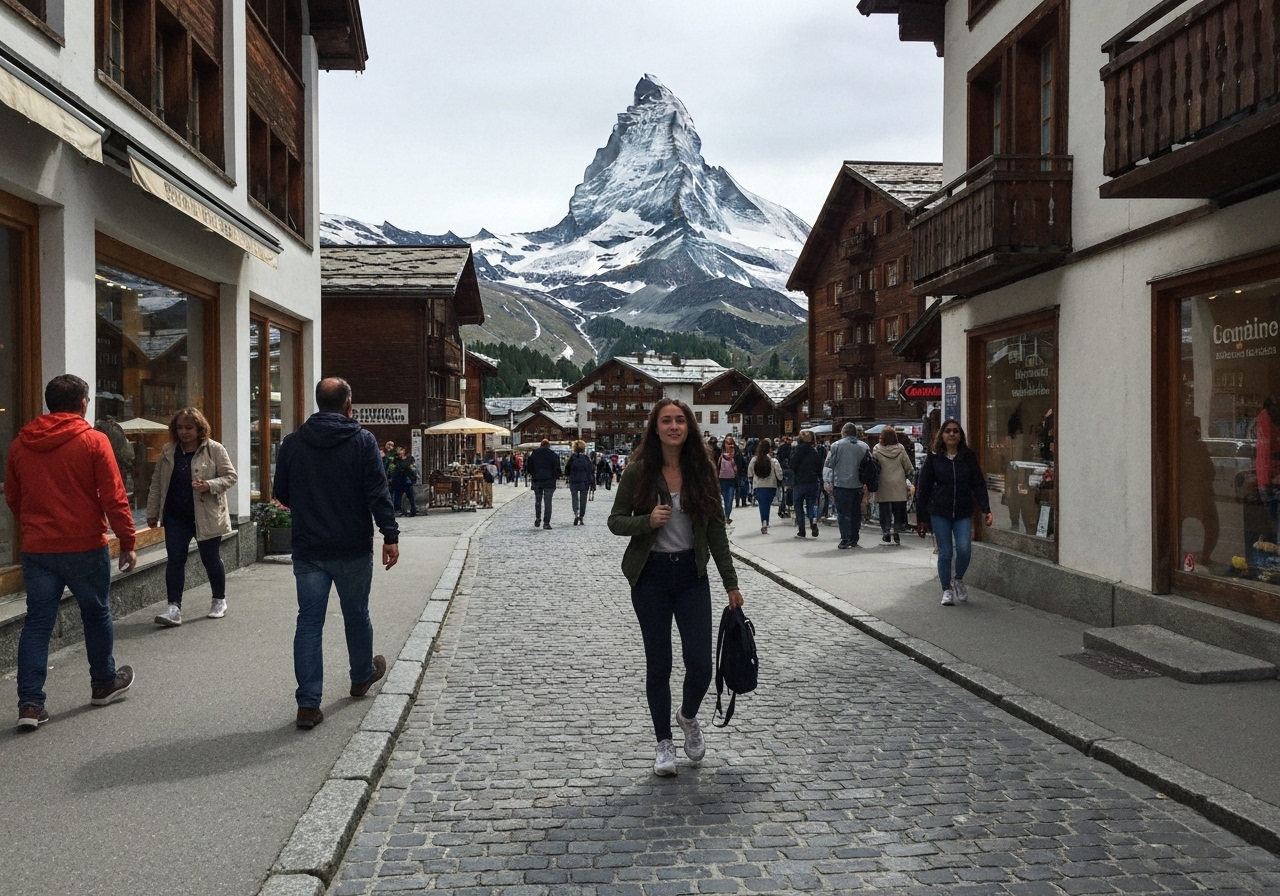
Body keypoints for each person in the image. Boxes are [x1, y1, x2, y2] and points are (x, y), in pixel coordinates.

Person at [607, 398, 744, 776]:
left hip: (690, 576)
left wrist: (730, 583)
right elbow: (615, 521)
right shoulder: (638, 472)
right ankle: (663, 743)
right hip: (649, 577)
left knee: (700, 663)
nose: (673, 426)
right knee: (659, 664)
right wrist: (646, 522)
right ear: (655, 428)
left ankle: (687, 716)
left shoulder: (702, 472)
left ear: (689, 428)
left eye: (680, 420)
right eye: (666, 420)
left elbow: (716, 529)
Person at [8, 374, 137, 729]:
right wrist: (128, 541)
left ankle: (30, 705)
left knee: (37, 623)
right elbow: (114, 496)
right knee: (95, 615)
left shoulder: (22, 444)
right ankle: (103, 683)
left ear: (49, 403)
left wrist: (34, 526)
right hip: (84, 546)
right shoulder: (94, 441)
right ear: (83, 403)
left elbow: (14, 496)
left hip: (39, 549)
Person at [274, 377, 399, 729]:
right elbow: (378, 491)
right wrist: (390, 535)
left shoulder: (293, 444)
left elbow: (281, 492)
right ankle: (361, 675)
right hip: (352, 546)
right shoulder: (362, 441)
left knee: (309, 622)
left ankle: (308, 704)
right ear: (348, 405)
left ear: (318, 403)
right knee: (356, 612)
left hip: (309, 547)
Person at [146, 407, 238, 625]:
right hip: (176, 515)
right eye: (179, 428)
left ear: (199, 428)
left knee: (210, 558)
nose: (184, 432)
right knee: (175, 561)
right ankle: (173, 608)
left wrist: (209, 485)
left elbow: (230, 476)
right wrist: (152, 513)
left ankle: (219, 600)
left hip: (206, 515)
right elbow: (157, 484)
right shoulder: (169, 451)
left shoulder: (213, 449)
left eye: (189, 427)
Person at [915, 419, 993, 606]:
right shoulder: (934, 458)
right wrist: (922, 519)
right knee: (945, 552)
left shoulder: (968, 457)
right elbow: (923, 489)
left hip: (963, 511)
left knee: (964, 549)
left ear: (960, 435)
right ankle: (946, 589)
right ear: (942, 435)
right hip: (939, 511)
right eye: (948, 431)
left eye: (955, 431)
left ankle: (958, 579)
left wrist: (986, 509)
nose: (952, 434)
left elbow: (978, 484)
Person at [824, 423, 870, 549]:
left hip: (841, 483)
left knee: (843, 513)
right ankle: (854, 537)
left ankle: (845, 538)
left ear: (843, 432)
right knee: (856, 512)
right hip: (858, 484)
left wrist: (828, 482)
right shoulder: (864, 446)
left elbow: (829, 464)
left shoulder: (837, 446)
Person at [873, 426, 915, 546]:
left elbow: (874, 466)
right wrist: (910, 474)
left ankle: (886, 530)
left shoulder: (877, 449)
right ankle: (897, 529)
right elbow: (907, 465)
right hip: (898, 484)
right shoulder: (900, 449)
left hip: (883, 483)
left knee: (884, 510)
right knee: (898, 510)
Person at [790, 430, 822, 538]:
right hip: (812, 481)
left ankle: (802, 530)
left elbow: (792, 465)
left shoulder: (797, 451)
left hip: (799, 482)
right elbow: (820, 466)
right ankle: (813, 520)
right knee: (811, 504)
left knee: (798, 505)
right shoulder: (814, 452)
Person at [748, 438, 783, 535]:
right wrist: (780, 479)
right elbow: (780, 474)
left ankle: (764, 521)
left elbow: (750, 473)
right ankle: (765, 521)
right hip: (771, 485)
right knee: (767, 504)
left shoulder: (754, 460)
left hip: (758, 486)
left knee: (762, 505)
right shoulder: (773, 461)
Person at [527, 438, 561, 529]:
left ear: (540, 445)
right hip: (549, 481)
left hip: (537, 480)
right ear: (549, 445)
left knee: (538, 501)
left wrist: (533, 474)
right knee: (548, 502)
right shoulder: (553, 455)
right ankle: (546, 523)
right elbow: (557, 469)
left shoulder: (534, 454)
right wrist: (555, 477)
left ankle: (538, 517)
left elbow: (529, 467)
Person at [565, 440, 595, 525]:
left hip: (574, 480)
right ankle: (581, 516)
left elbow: (567, 470)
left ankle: (576, 513)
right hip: (584, 481)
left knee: (574, 498)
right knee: (583, 499)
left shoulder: (572, 458)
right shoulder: (586, 458)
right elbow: (590, 470)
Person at [716, 435, 741, 522]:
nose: (729, 445)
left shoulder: (737, 453)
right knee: (725, 498)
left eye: (730, 443)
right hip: (722, 479)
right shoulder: (721, 454)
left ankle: (727, 515)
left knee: (729, 498)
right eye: (727, 443)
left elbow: (740, 465)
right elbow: (718, 467)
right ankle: (725, 515)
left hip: (732, 479)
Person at [391, 447, 418, 517]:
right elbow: (400, 466)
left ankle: (413, 510)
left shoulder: (409, 458)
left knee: (411, 496)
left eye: (401, 450)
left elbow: (407, 466)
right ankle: (397, 510)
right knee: (398, 496)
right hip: (399, 480)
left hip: (407, 480)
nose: (400, 452)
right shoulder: (397, 459)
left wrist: (406, 467)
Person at [775, 435, 794, 518]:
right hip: (790, 471)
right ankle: (788, 507)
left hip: (782, 470)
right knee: (790, 490)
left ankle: (782, 508)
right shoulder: (791, 449)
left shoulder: (780, 448)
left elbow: (777, 458)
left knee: (783, 491)